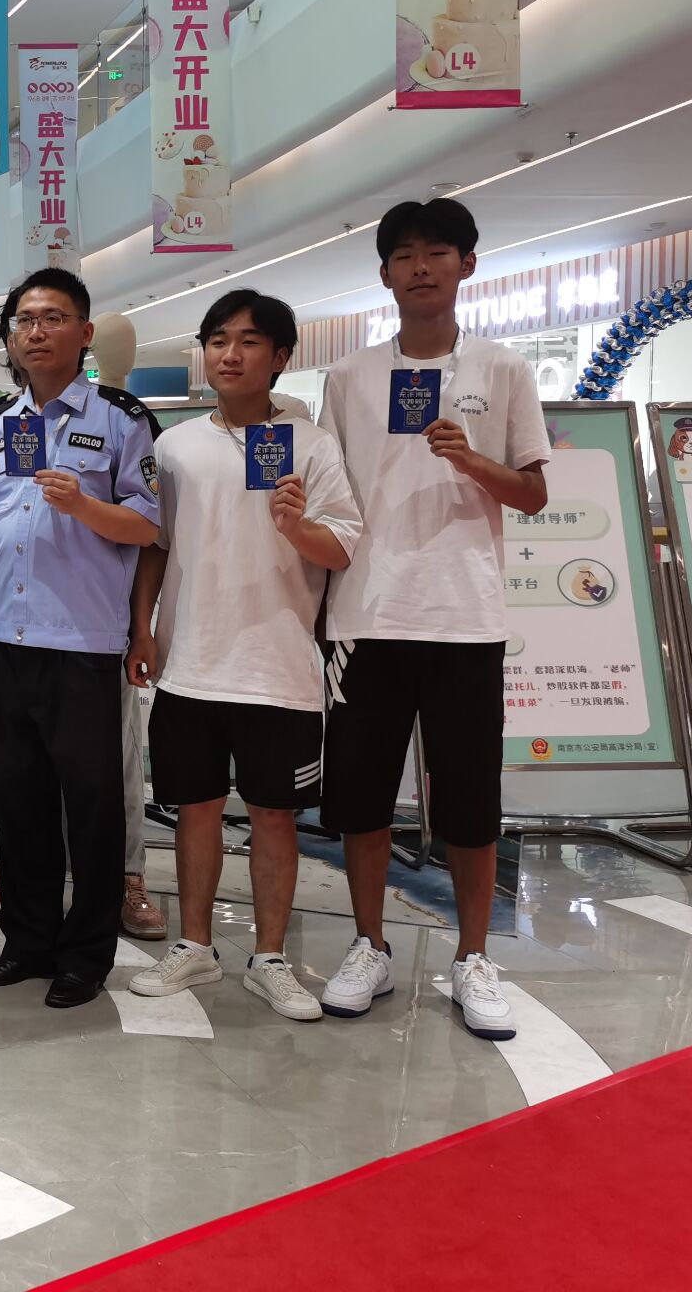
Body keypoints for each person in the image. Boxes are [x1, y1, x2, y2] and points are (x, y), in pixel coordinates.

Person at [316, 198, 551, 1040]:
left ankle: (473, 957)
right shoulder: (347, 378)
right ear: (384, 273)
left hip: (464, 617)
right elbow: (330, 493)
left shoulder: (504, 368)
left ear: (467, 265)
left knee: (470, 802)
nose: (421, 267)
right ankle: (369, 946)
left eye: (438, 252)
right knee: (363, 798)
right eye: (405, 255)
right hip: (367, 616)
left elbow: (534, 492)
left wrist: (472, 459)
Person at [125, 290, 361, 1020]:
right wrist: (142, 629)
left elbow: (342, 547)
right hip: (190, 663)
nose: (230, 354)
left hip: (278, 668)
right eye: (218, 340)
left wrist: (295, 526)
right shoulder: (174, 447)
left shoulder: (312, 445)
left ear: (281, 356)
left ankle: (270, 958)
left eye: (250, 341)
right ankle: (195, 946)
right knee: (194, 811)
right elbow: (155, 547)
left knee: (274, 816)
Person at [0, 270, 160, 1008]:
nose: (36, 331)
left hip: (82, 642)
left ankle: (85, 953)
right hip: (4, 640)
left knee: (92, 806)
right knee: (19, 800)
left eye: (53, 318)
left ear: (84, 333)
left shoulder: (120, 419)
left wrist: (85, 506)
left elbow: (148, 527)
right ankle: (27, 941)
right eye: (24, 320)